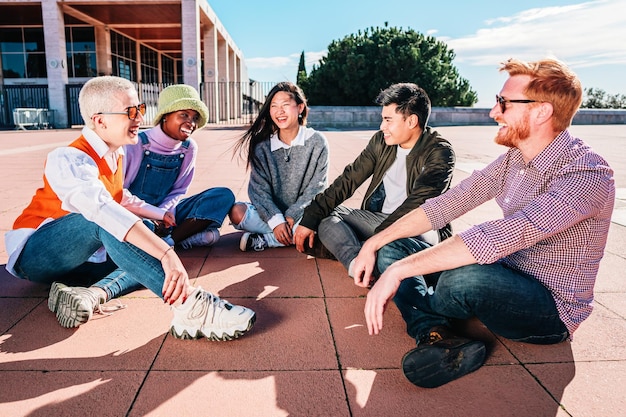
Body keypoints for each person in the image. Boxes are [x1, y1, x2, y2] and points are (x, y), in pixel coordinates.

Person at [356, 58, 615, 388]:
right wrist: (373, 243)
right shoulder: (515, 158)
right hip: (504, 272)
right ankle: (436, 334)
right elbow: (446, 205)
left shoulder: (586, 173)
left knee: (461, 279)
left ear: (541, 112)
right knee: (395, 245)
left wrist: (398, 271)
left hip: (550, 309)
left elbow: (500, 236)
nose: (494, 112)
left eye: (504, 103)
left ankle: (428, 311)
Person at [4, 76, 256, 341]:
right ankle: (189, 305)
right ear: (100, 120)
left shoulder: (117, 153)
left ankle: (90, 292)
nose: (139, 118)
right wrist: (167, 254)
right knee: (108, 222)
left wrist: (160, 214)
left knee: (140, 238)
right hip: (36, 257)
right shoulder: (69, 158)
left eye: (140, 110)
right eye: (130, 112)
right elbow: (102, 209)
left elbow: (120, 196)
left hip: (85, 261)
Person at [294, 83, 455, 279]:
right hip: (378, 221)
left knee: (357, 240)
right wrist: (310, 217)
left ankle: (370, 252)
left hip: (419, 229)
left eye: (388, 120)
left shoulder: (440, 152)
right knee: (325, 215)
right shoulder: (381, 141)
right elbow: (349, 179)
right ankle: (357, 264)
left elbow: (417, 207)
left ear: (411, 121)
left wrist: (376, 240)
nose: (382, 127)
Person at [124, 84, 234, 250]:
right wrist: (156, 214)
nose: (191, 122)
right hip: (134, 215)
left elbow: (178, 191)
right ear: (165, 116)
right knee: (146, 225)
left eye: (195, 118)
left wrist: (165, 214)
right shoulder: (136, 143)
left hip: (168, 215)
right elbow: (120, 194)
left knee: (223, 196)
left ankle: (168, 242)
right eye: (184, 115)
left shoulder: (188, 148)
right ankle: (179, 239)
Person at [229, 82, 329, 252]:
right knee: (236, 212)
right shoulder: (262, 146)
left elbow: (317, 188)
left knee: (325, 225)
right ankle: (291, 237)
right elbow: (258, 190)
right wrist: (276, 221)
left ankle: (266, 240)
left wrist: (292, 215)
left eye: (285, 105)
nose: (279, 111)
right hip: (269, 215)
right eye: (274, 106)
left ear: (300, 108)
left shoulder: (317, 142)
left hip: (303, 213)